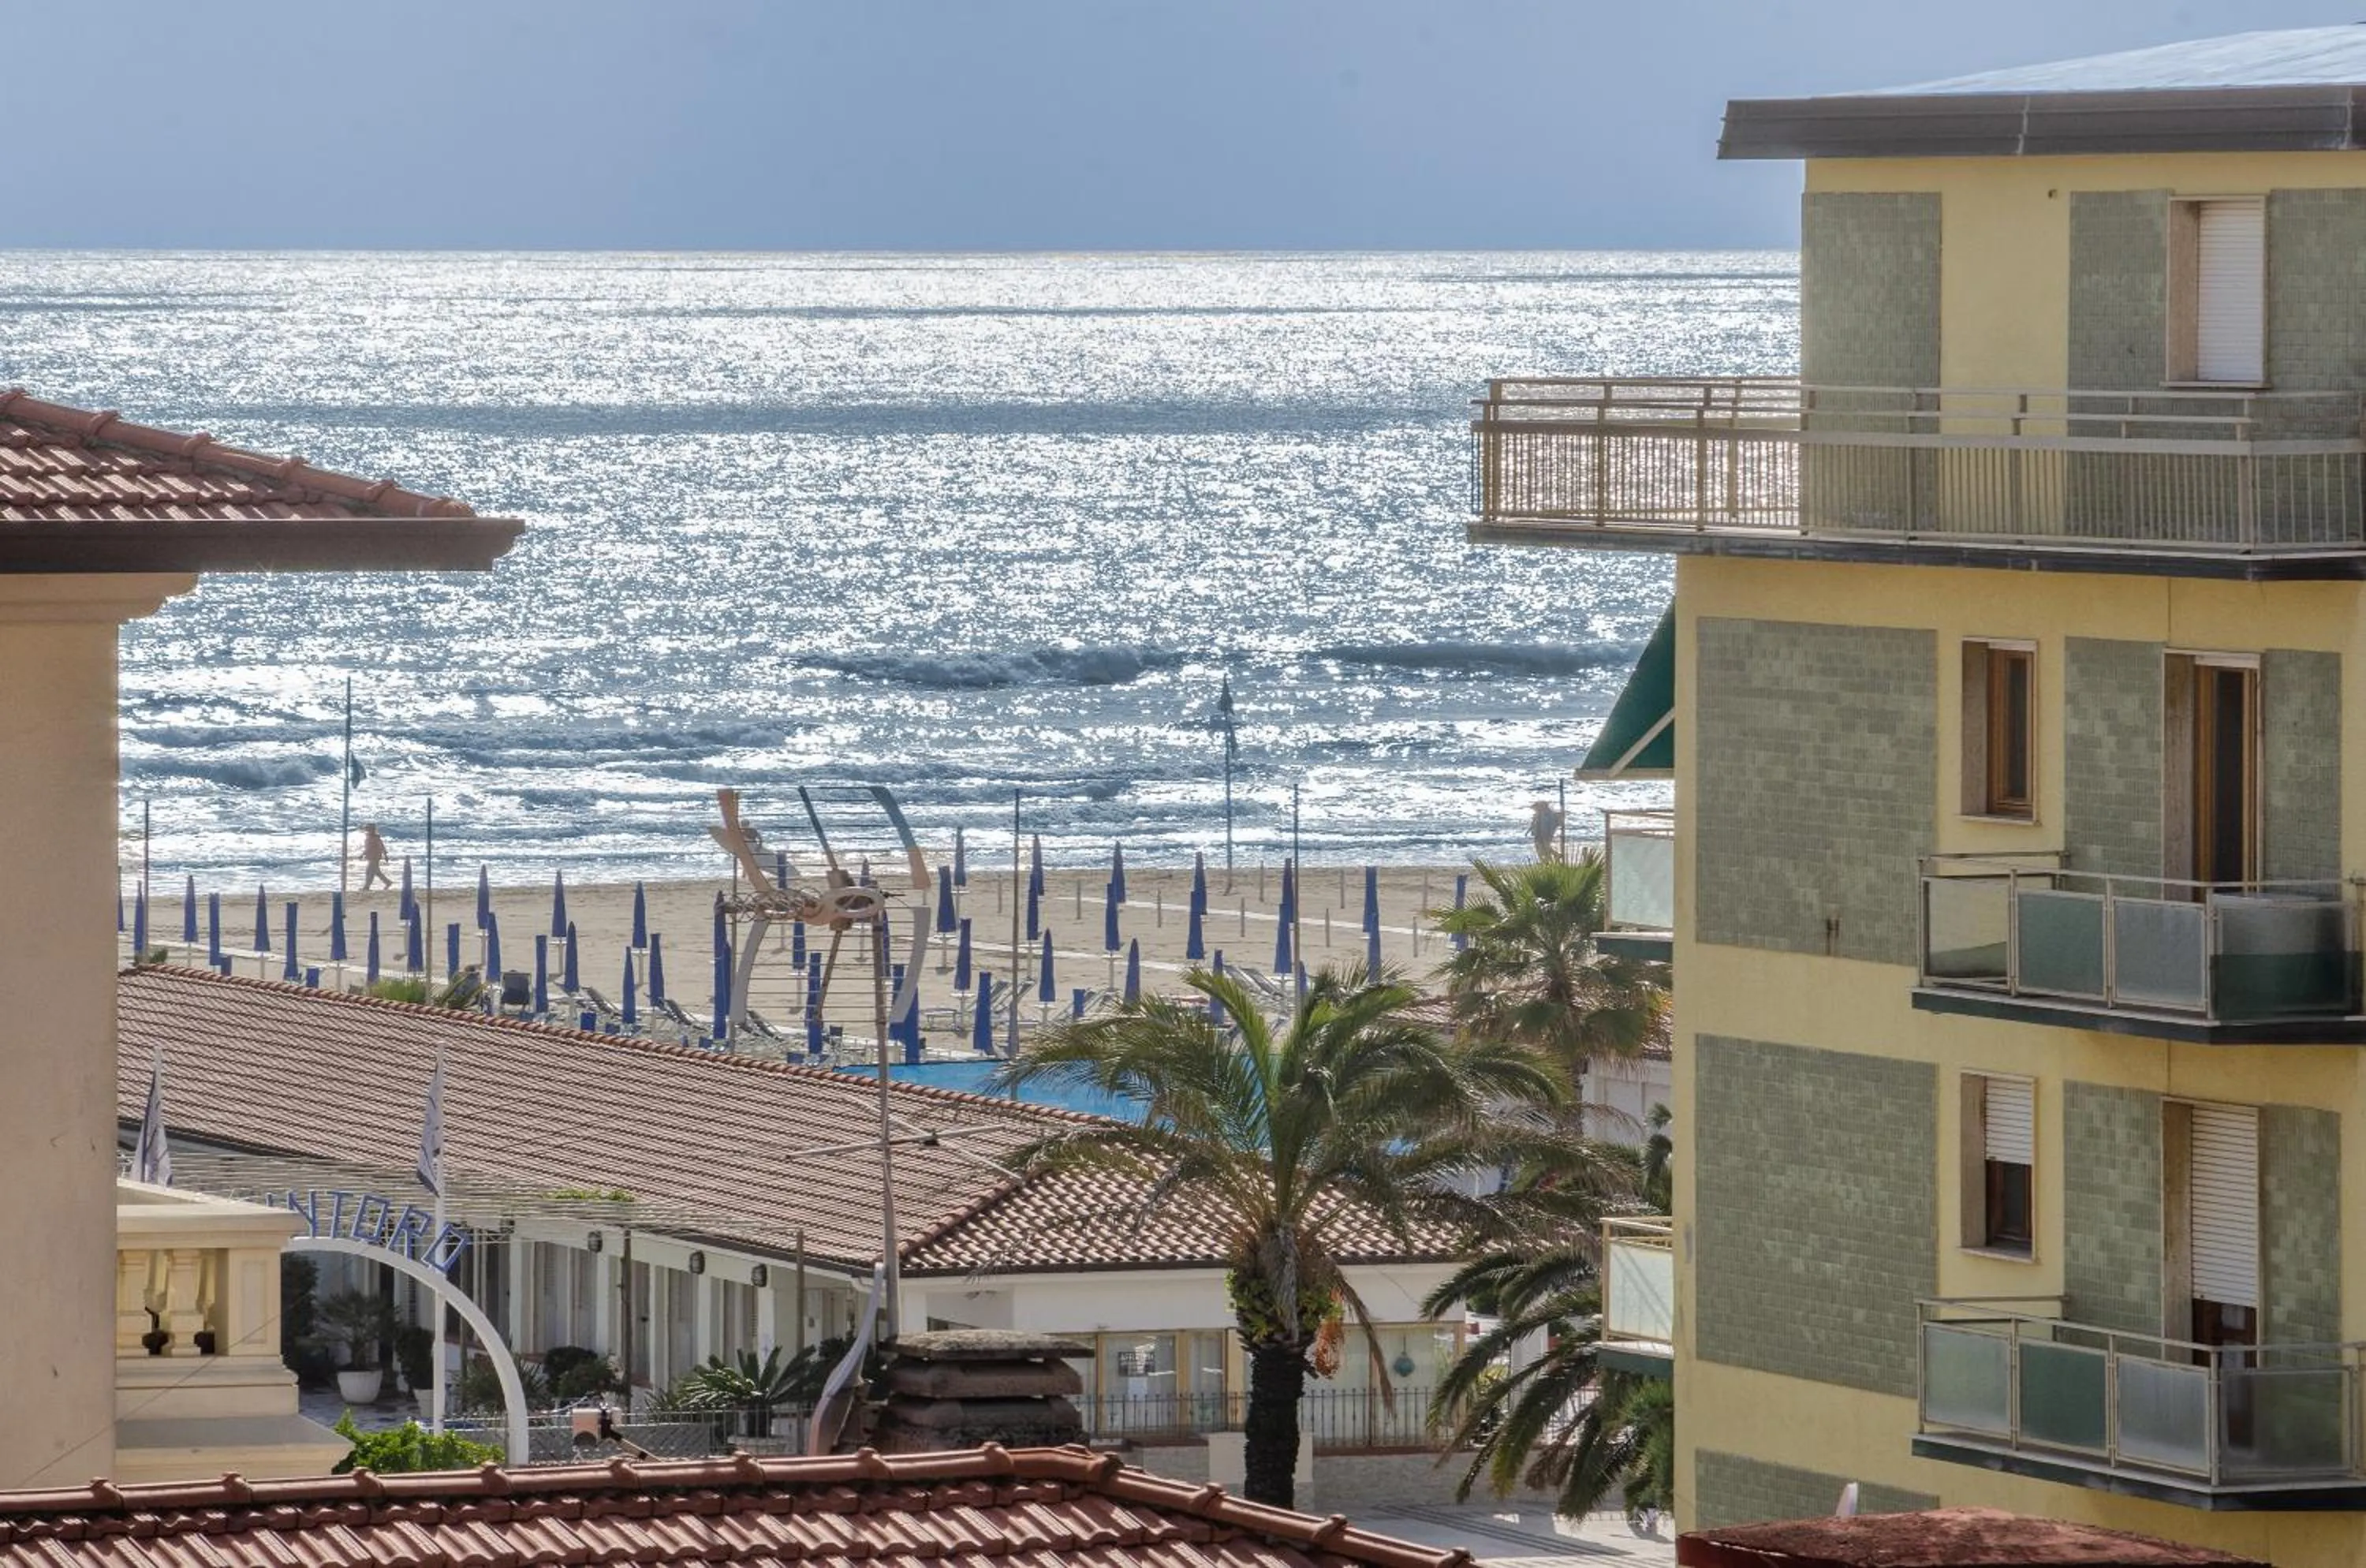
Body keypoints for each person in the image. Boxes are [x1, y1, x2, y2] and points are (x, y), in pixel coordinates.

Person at [1528, 799, 1565, 864]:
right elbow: (1534, 825)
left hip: (1545, 835)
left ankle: (1550, 859)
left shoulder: (1548, 815)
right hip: (1540, 835)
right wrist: (1529, 831)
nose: (1536, 810)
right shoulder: (1540, 814)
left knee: (1543, 848)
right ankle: (1551, 859)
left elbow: (1549, 826)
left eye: (1537, 808)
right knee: (1543, 848)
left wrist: (1548, 834)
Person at [359, 822, 394, 890]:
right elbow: (369, 848)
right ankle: (388, 882)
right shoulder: (371, 837)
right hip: (372, 857)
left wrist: (385, 855)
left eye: (369, 829)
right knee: (376, 872)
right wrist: (363, 854)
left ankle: (367, 887)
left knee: (370, 872)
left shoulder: (375, 838)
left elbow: (380, 847)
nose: (367, 830)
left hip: (375, 857)